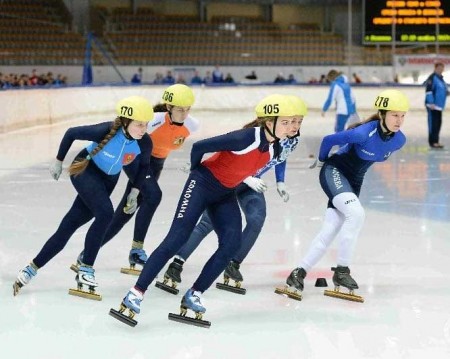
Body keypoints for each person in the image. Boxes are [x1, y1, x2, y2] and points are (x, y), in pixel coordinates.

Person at [110, 94, 301, 327]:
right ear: (269, 122)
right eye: (286, 122)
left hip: (225, 193)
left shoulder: (275, 149)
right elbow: (200, 147)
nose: (291, 127)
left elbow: (242, 168)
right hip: (202, 184)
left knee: (231, 244)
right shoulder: (246, 138)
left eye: (294, 122)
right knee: (176, 238)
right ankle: (136, 293)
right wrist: (195, 173)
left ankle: (194, 294)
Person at [160, 95, 308, 295]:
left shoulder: (291, 138)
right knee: (207, 223)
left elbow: (281, 157)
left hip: (251, 184)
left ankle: (233, 263)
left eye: (299, 121)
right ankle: (177, 263)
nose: (295, 126)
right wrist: (247, 178)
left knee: (257, 219)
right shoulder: (251, 135)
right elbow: (231, 162)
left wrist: (280, 181)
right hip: (232, 180)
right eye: (291, 121)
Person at [13, 96, 154, 299]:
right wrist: (58, 161)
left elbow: (143, 167)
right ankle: (86, 268)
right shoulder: (105, 130)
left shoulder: (145, 142)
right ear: (126, 121)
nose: (144, 129)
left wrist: (134, 191)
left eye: (146, 124)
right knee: (105, 213)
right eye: (139, 124)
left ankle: (31, 268)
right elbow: (71, 133)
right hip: (85, 170)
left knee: (69, 225)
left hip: (107, 181)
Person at [276, 89, 409, 303]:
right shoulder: (363, 133)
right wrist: (321, 160)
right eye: (395, 115)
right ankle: (342, 271)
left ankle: (298, 272)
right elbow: (329, 140)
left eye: (403, 116)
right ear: (382, 114)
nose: (399, 120)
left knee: (331, 228)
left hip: (354, 181)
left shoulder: (399, 140)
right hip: (334, 171)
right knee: (356, 214)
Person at [71, 84, 198, 275]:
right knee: (154, 195)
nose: (185, 113)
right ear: (169, 107)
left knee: (125, 212)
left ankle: (87, 254)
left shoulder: (192, 125)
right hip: (137, 161)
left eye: (188, 109)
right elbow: (127, 134)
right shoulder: (153, 120)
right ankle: (137, 249)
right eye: (180, 109)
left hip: (156, 165)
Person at [425, 62, 448, 149]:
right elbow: (429, 91)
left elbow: (443, 90)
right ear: (435, 68)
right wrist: (431, 103)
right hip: (433, 106)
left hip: (439, 106)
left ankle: (436, 141)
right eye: (439, 68)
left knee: (438, 124)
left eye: (442, 68)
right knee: (433, 124)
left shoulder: (441, 79)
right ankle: (432, 142)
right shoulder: (432, 78)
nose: (441, 70)